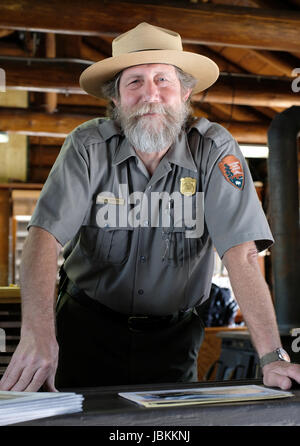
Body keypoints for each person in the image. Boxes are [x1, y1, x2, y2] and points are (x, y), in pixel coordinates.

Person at [1, 22, 299, 392]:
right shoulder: (86, 147)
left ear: (185, 92)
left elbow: (242, 256)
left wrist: (272, 356)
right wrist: (38, 335)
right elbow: (43, 238)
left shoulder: (214, 149)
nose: (150, 95)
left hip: (173, 338)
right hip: (84, 329)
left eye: (163, 80)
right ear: (116, 98)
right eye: (135, 82)